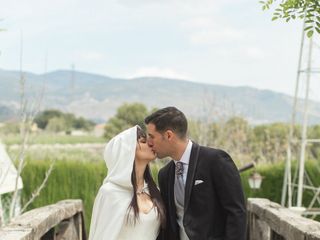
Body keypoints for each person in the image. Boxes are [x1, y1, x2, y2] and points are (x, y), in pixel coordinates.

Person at [145, 107, 246, 240]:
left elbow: (236, 212)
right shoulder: (164, 175)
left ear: (169, 135)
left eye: (152, 136)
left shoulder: (215, 160)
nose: (148, 143)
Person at [88, 125, 165, 240]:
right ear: (127, 151)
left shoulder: (154, 191)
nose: (150, 143)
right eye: (143, 141)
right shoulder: (110, 192)